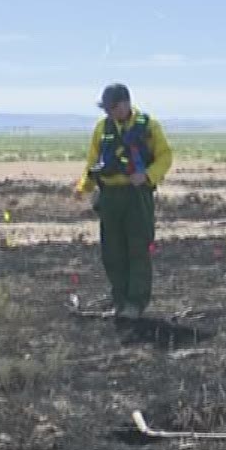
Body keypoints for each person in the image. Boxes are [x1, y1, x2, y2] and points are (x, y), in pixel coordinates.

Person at [74, 83, 173, 319]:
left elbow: (165, 156)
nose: (109, 112)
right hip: (109, 197)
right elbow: (92, 162)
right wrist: (83, 187)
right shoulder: (102, 128)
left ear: (126, 103)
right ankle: (120, 301)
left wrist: (147, 176)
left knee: (138, 249)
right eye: (106, 108)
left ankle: (135, 304)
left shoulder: (148, 126)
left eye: (113, 107)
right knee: (112, 251)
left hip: (137, 196)